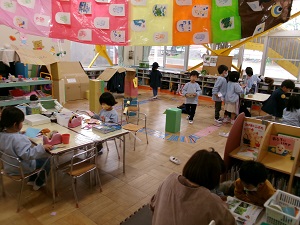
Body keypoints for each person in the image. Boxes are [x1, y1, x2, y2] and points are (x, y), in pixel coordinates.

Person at [150, 149, 236, 225]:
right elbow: (230, 222)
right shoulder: (210, 200)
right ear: (213, 178)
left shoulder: (170, 178)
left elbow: (153, 204)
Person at [0, 106, 52, 191]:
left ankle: (31, 179)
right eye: (21, 122)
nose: (22, 124)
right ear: (15, 124)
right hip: (20, 168)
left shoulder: (2, 134)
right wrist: (42, 147)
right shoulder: (18, 139)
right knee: (47, 160)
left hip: (9, 166)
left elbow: (11, 141)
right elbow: (28, 155)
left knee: (36, 157)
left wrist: (19, 133)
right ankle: (39, 182)